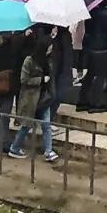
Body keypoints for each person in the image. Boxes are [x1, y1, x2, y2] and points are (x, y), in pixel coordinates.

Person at [24, 20, 71, 158]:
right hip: (48, 71)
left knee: (56, 96)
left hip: (59, 69)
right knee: (51, 97)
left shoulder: (63, 33)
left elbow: (67, 52)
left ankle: (47, 146)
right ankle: (47, 149)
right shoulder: (42, 31)